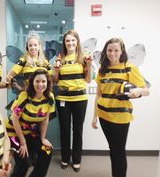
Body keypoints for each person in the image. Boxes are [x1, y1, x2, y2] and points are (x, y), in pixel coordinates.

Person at [91, 38, 149, 177]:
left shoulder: (129, 67)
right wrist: (95, 116)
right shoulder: (102, 70)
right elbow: (99, 94)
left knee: (119, 150)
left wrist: (138, 92)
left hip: (121, 116)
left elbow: (146, 90)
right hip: (104, 115)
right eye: (109, 50)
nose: (112, 53)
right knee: (113, 148)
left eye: (116, 50)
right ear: (106, 51)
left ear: (121, 51)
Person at [53, 29, 93, 172]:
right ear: (64, 43)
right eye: (67, 40)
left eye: (73, 40)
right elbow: (55, 81)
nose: (70, 43)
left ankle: (76, 160)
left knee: (78, 130)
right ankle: (65, 158)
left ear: (77, 42)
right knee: (64, 130)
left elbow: (88, 80)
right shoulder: (60, 58)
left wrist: (88, 65)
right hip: (63, 99)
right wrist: (56, 71)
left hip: (80, 99)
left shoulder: (83, 58)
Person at [5, 69, 55, 177]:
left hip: (30, 132)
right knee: (24, 163)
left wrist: (42, 138)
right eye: (37, 81)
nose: (40, 84)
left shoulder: (50, 97)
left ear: (48, 82)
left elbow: (45, 120)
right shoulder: (24, 96)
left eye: (43, 81)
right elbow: (14, 119)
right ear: (32, 82)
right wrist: (22, 142)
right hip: (14, 132)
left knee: (47, 150)